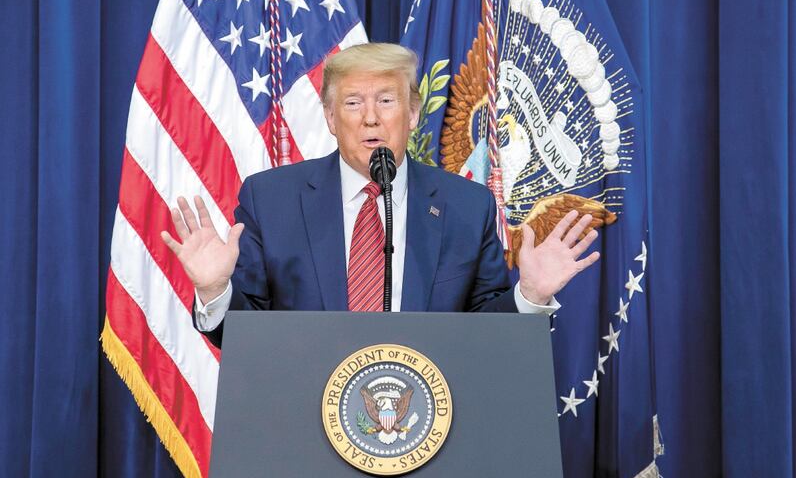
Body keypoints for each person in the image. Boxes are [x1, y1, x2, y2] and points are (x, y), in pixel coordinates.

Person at [161, 43, 599, 348]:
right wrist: (215, 290)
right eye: (353, 103)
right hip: (304, 422)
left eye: (387, 101)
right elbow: (244, 337)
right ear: (330, 118)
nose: (370, 118)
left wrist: (530, 297)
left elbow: (485, 335)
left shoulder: (466, 206)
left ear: (412, 114)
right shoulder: (272, 200)